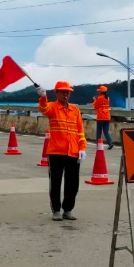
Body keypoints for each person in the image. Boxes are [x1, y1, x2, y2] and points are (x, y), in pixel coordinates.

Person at [36, 81, 87, 221]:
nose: (65, 94)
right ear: (56, 93)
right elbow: (43, 109)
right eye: (63, 92)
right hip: (56, 152)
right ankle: (56, 210)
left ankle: (68, 209)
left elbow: (80, 131)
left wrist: (82, 148)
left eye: (67, 92)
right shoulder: (52, 107)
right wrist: (43, 97)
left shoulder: (75, 110)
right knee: (55, 183)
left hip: (73, 152)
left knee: (73, 183)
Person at [92, 85, 114, 149]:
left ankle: (98, 144)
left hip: (101, 117)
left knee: (99, 131)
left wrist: (94, 100)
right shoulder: (108, 98)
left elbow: (95, 107)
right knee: (106, 131)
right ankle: (110, 142)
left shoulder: (99, 98)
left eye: (99, 91)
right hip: (107, 116)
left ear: (101, 92)